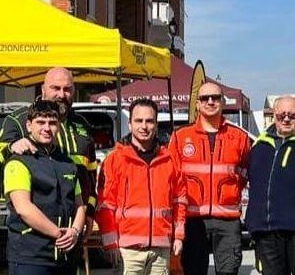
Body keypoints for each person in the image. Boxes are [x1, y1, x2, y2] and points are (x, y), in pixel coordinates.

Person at [0, 67, 97, 238]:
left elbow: (91, 178)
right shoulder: (20, 120)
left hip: (73, 228)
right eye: (55, 88)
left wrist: (89, 212)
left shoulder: (82, 125)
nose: (62, 95)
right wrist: (11, 147)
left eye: (67, 89)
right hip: (32, 231)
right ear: (43, 89)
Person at [96, 98, 187, 275]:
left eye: (149, 121)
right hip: (127, 251)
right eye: (138, 121)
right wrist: (110, 243)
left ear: (156, 124)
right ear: (129, 124)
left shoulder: (170, 160)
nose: (144, 126)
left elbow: (180, 201)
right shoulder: (114, 160)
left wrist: (179, 236)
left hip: (161, 250)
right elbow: (105, 206)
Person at [169, 82, 251, 275]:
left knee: (229, 270)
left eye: (215, 97)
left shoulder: (239, 137)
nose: (210, 101)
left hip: (227, 220)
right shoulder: (181, 136)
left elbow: (245, 175)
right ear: (197, 104)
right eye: (205, 98)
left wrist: (230, 195)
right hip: (193, 219)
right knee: (193, 271)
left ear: (223, 102)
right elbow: (172, 178)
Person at [4, 100, 86, 275]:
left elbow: (79, 204)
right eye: (40, 122)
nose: (47, 128)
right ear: (28, 125)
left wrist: (75, 232)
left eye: (52, 123)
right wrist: (58, 234)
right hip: (30, 256)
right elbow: (24, 208)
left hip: (66, 256)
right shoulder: (18, 162)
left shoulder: (67, 162)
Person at [245, 95, 295, 275]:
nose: (287, 119)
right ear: (274, 115)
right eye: (282, 115)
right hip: (266, 232)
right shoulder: (259, 146)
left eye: (292, 115)